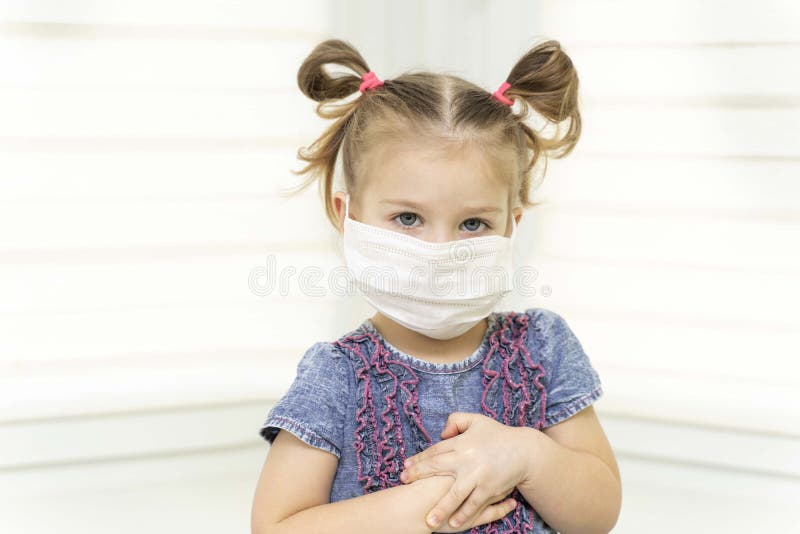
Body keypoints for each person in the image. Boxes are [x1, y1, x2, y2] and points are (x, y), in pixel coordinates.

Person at [251, 38, 621, 534]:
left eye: (473, 224)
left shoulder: (543, 348)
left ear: (510, 226)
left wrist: (528, 456)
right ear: (347, 215)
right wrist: (430, 505)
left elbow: (598, 515)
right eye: (408, 218)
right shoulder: (336, 376)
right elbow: (276, 527)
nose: (440, 252)